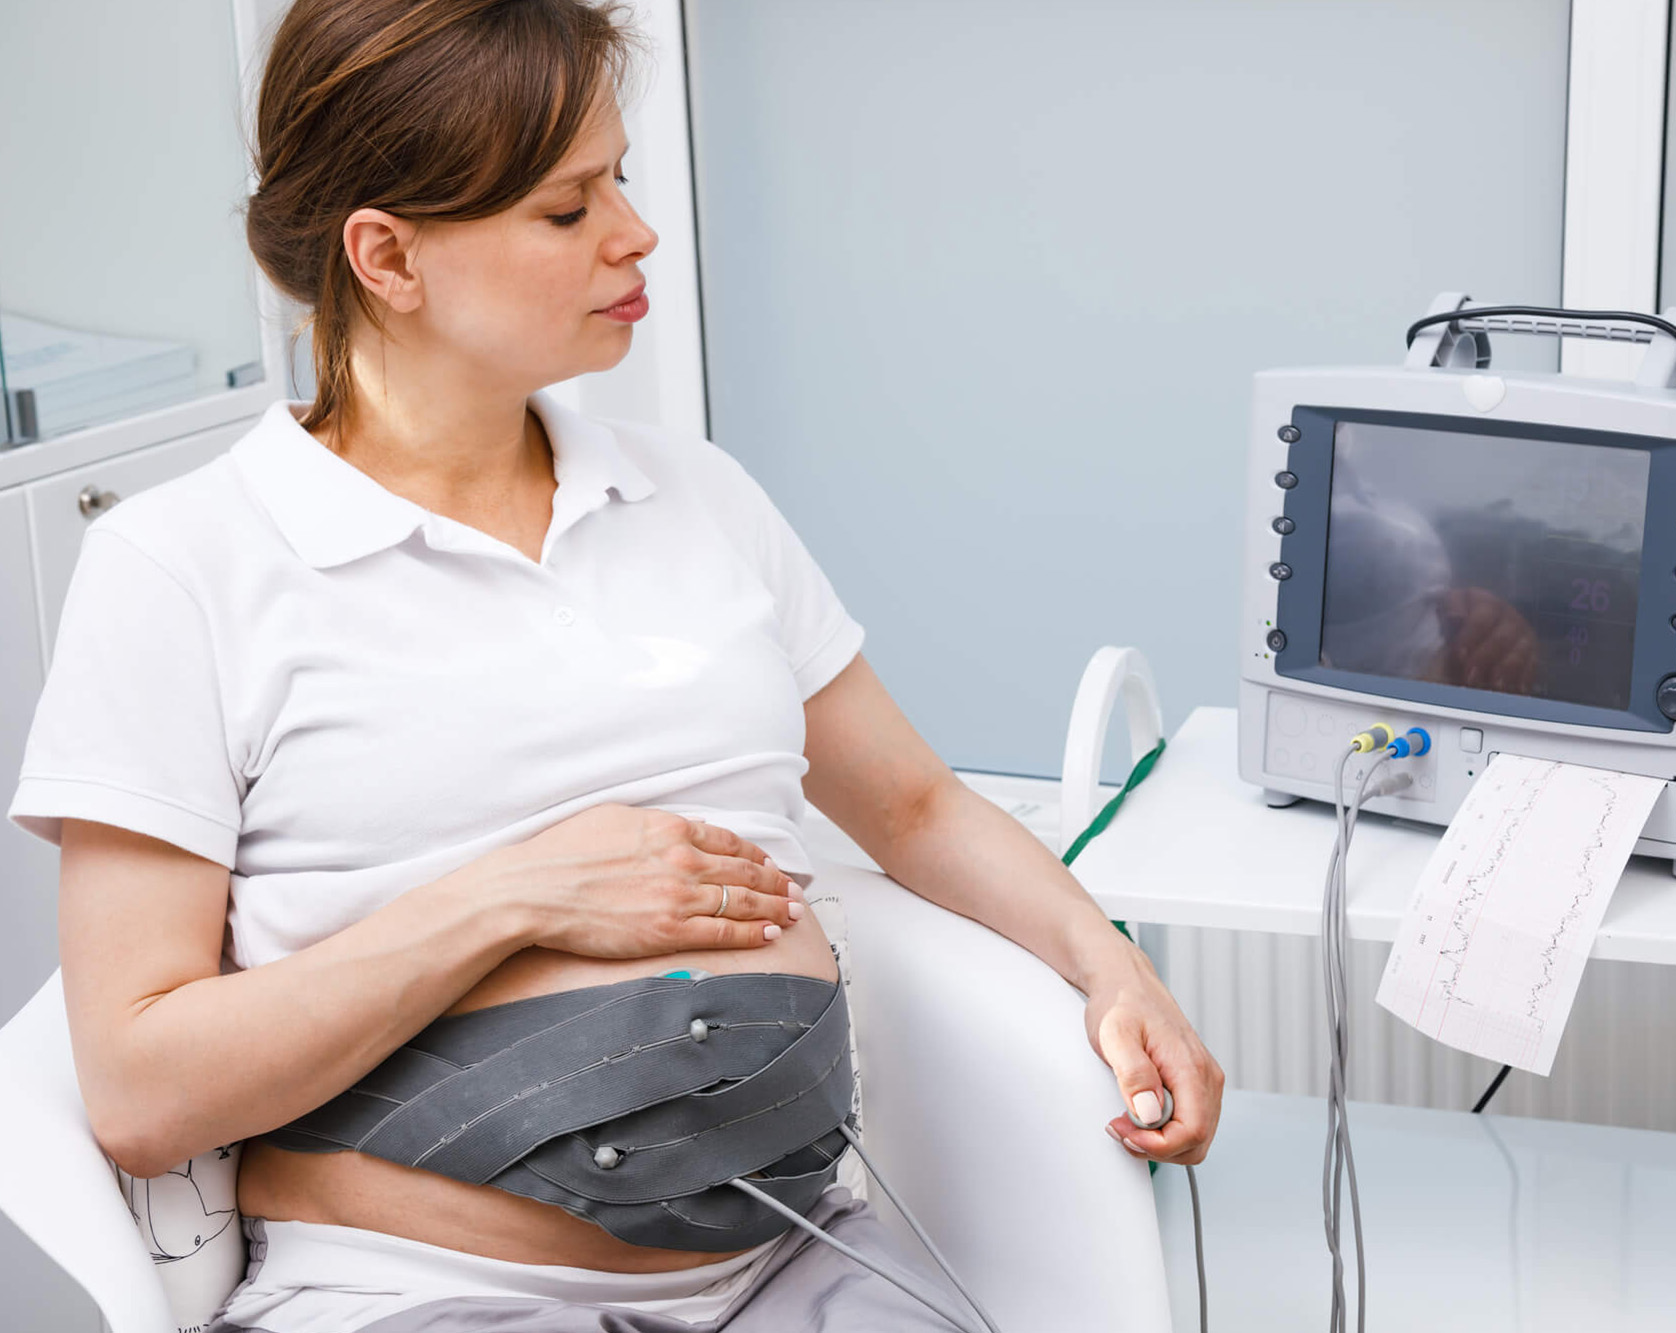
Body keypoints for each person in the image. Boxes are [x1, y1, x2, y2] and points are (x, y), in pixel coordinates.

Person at [5, 2, 1222, 1327]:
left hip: (799, 1261)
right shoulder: (184, 566)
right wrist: (515, 896)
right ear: (388, 255)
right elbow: (135, 1088)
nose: (634, 234)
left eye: (621, 180)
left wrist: (1112, 967)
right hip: (418, 1295)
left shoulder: (698, 495)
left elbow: (915, 806)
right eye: (568, 210)